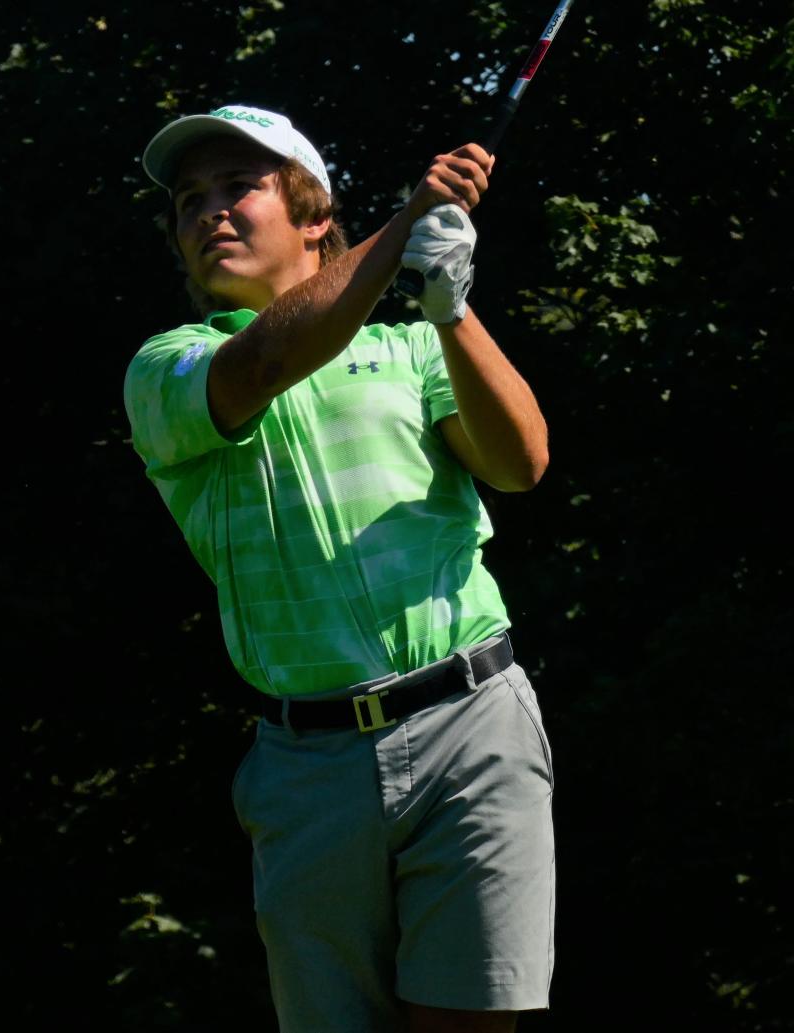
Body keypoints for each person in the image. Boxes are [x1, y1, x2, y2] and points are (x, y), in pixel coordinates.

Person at [124, 103, 555, 1033]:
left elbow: (520, 463)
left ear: (315, 216)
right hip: (307, 764)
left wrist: (451, 308)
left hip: (470, 720)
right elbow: (267, 359)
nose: (209, 212)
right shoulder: (171, 365)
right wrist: (408, 226)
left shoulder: (408, 348)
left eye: (240, 186)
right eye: (189, 201)